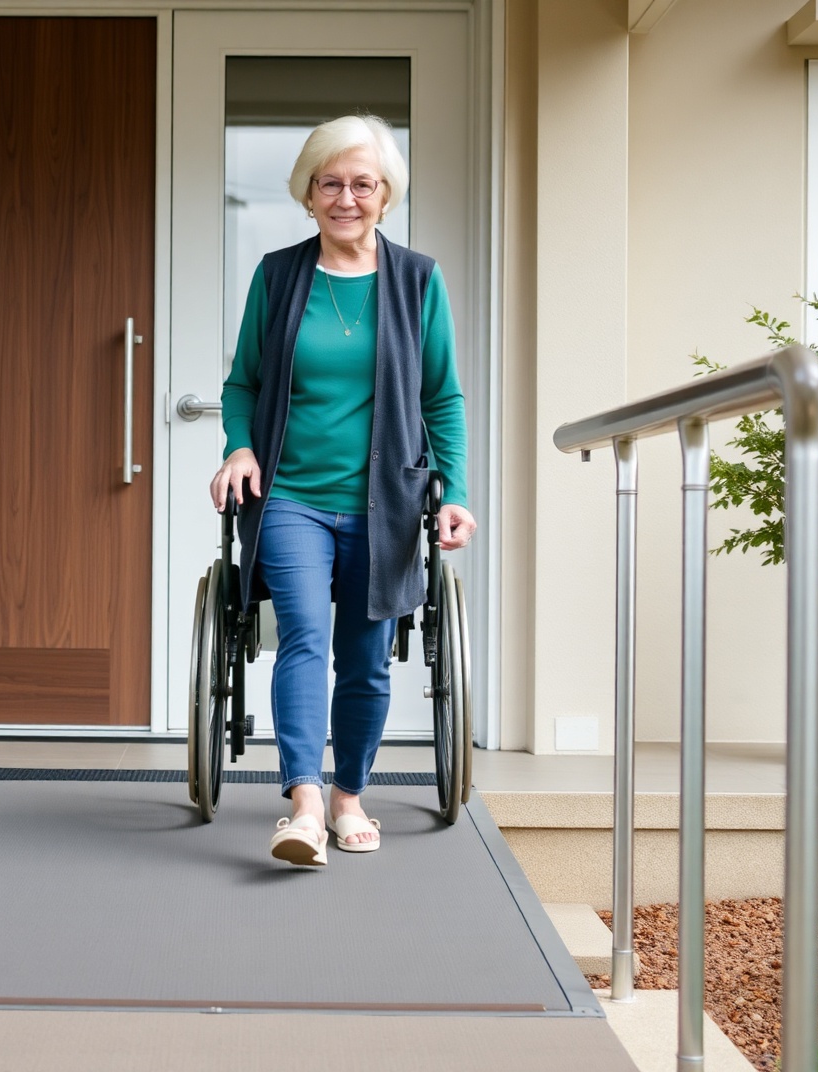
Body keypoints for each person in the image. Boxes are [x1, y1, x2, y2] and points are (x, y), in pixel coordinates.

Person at [211, 114, 476, 867]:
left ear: (386, 195)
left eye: (363, 184)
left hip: (384, 505)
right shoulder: (278, 276)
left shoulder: (417, 281)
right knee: (303, 634)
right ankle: (303, 802)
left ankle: (348, 796)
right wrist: (238, 446)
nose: (346, 198)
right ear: (309, 193)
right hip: (291, 495)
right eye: (330, 183)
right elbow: (243, 384)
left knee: (365, 658)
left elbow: (441, 398)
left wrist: (453, 491)